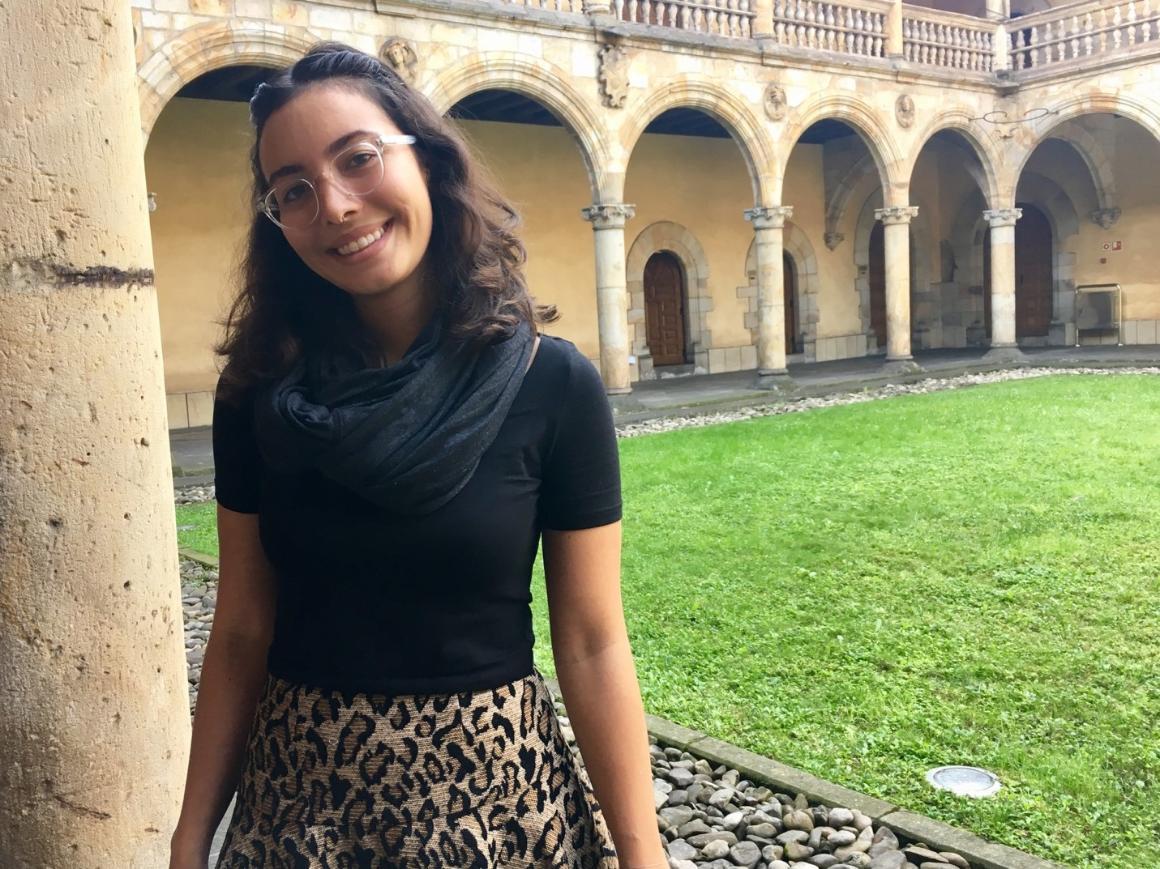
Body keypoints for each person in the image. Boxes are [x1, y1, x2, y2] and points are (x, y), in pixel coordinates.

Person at [167, 43, 668, 869]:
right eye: (293, 190)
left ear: (427, 160)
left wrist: (642, 853)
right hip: (300, 810)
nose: (334, 205)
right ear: (277, 221)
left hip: (497, 810)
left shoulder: (551, 385)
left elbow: (591, 640)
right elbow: (243, 630)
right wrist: (190, 838)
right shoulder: (257, 394)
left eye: (358, 158)